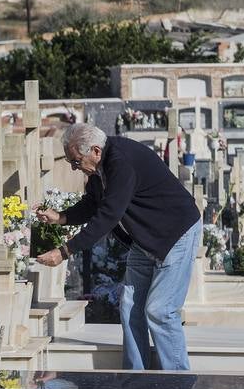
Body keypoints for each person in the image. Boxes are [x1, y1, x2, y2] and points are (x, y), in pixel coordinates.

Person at [35, 123, 202, 370]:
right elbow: (92, 204)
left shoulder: (121, 163)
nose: (74, 167)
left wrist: (64, 252)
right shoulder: (99, 169)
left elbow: (108, 216)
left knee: (160, 310)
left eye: (76, 161)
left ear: (95, 151)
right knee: (130, 306)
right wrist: (60, 217)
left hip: (174, 234)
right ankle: (136, 376)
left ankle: (178, 381)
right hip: (145, 240)